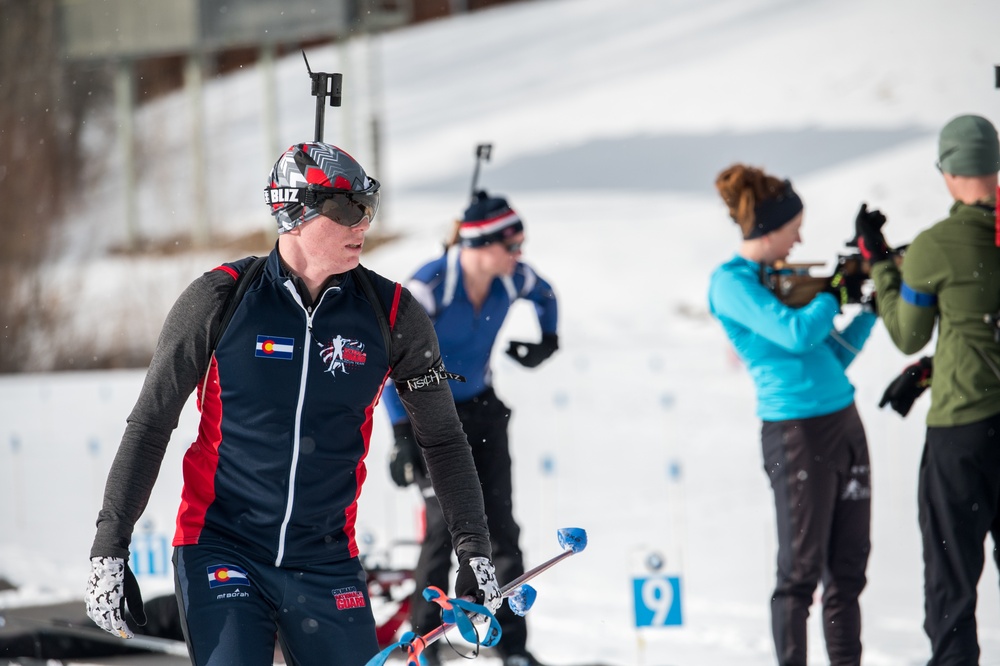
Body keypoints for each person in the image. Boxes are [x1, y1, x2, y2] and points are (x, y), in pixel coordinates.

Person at [84, 141, 502, 666]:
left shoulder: (392, 313)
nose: (364, 224)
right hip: (222, 547)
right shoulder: (220, 299)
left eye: (368, 207)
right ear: (295, 212)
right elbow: (150, 424)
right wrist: (110, 547)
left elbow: (442, 439)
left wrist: (474, 552)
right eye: (350, 208)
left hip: (326, 561)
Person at [707, 164, 878, 666]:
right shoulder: (730, 284)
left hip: (844, 422)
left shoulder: (781, 283)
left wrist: (866, 306)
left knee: (848, 570)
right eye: (793, 227)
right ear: (768, 227)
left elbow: (830, 355)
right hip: (796, 433)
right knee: (799, 574)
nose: (799, 238)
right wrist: (832, 295)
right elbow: (796, 334)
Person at [382, 190, 559, 666]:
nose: (520, 255)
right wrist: (401, 434)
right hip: (431, 416)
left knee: (501, 525)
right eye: (512, 245)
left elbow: (545, 295)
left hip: (483, 408)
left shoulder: (511, 278)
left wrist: (548, 339)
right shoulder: (431, 286)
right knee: (443, 529)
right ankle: (422, 645)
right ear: (480, 244)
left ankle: (513, 647)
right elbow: (388, 360)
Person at [859, 113, 1000, 665]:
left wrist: (880, 267)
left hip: (961, 435)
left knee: (952, 585)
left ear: (946, 172)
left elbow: (907, 331)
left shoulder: (934, 248)